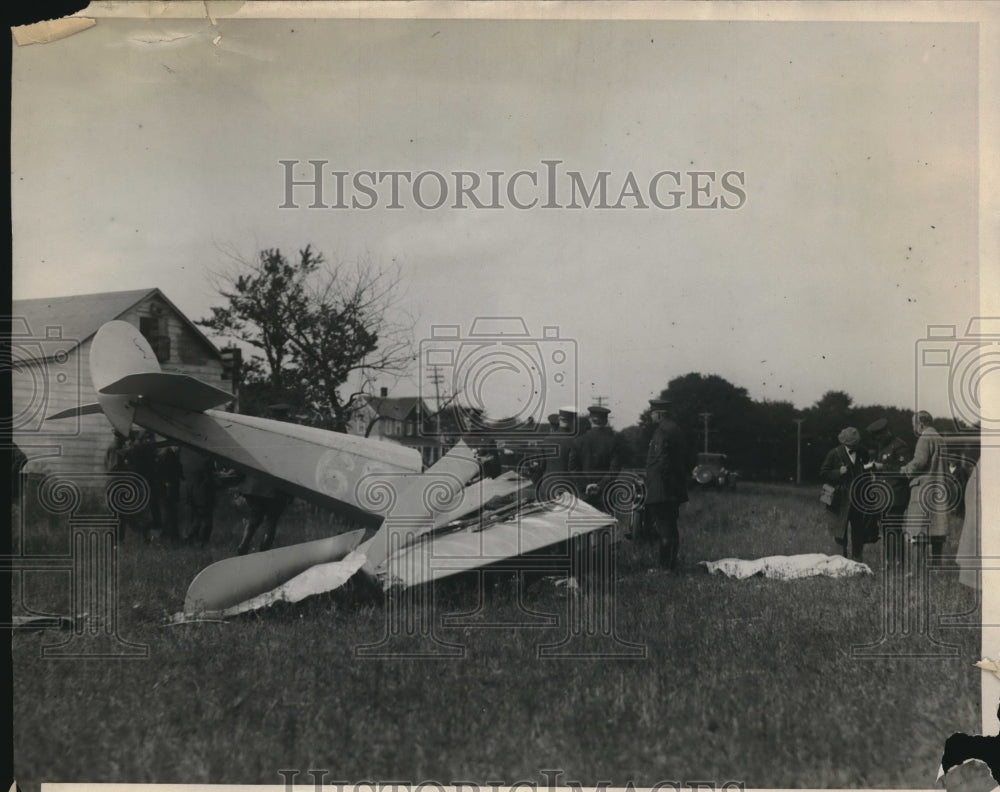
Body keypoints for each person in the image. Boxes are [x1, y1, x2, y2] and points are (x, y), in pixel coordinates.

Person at [900, 410, 952, 560]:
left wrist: (905, 470)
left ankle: (918, 570)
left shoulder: (924, 438)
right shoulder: (940, 439)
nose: (913, 428)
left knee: (918, 531)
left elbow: (919, 462)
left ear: (920, 424)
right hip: (938, 488)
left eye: (914, 425)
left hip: (923, 490)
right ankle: (936, 567)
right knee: (937, 531)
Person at [644, 398, 688, 570]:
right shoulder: (675, 429)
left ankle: (665, 569)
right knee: (670, 528)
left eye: (652, 412)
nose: (651, 415)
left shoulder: (661, 431)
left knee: (664, 530)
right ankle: (671, 565)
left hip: (662, 489)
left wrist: (667, 486)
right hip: (672, 489)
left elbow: (663, 462)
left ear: (660, 414)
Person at [819, 427, 871, 561]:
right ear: (844, 442)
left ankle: (857, 561)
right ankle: (840, 562)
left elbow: (867, 470)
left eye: (856, 443)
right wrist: (838, 472)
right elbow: (823, 473)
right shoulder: (834, 453)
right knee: (839, 531)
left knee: (859, 530)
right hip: (839, 499)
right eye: (851, 443)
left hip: (857, 498)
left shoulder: (862, 452)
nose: (854, 445)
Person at [864, 417, 912, 543]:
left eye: (879, 436)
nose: (877, 440)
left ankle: (897, 562)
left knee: (894, 532)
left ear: (886, 432)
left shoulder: (900, 447)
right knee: (886, 532)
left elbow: (905, 471)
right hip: (883, 496)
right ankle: (888, 562)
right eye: (875, 437)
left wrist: (882, 467)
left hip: (896, 498)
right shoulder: (883, 447)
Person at [569, 405, 625, 512]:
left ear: (590, 419)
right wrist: (600, 485)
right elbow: (614, 470)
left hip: (583, 494)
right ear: (605, 421)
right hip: (604, 494)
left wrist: (586, 485)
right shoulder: (613, 442)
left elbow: (573, 469)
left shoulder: (578, 442)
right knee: (605, 525)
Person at [180, 447, 217, 547]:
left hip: (192, 492)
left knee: (197, 518)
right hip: (204, 495)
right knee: (207, 520)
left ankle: (190, 537)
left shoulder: (190, 457)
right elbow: (209, 480)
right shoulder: (207, 460)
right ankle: (202, 541)